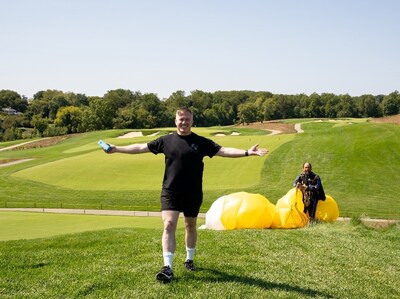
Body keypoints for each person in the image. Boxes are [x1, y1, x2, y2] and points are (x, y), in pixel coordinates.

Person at [102, 107, 268, 283]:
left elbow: (223, 151)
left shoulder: (201, 142)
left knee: (190, 226)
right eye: (181, 119)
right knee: (168, 224)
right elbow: (141, 147)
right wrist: (116, 148)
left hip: (193, 192)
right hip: (170, 191)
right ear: (175, 121)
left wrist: (247, 152)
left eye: (187, 119)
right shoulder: (165, 141)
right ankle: (168, 267)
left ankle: (189, 259)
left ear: (191, 121)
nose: (184, 122)